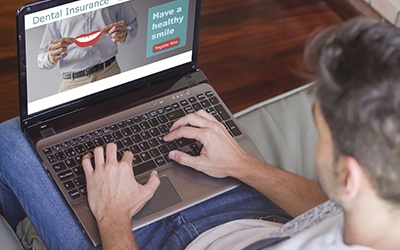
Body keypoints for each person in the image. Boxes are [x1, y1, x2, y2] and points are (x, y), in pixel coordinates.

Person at [1, 17, 400, 249]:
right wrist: (243, 165)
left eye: (320, 132)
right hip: (253, 209)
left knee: (12, 140)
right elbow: (328, 208)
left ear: (349, 177)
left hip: (149, 239)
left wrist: (113, 216)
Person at [37, 1, 138, 92]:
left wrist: (126, 33)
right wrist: (50, 57)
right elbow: (42, 56)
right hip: (72, 85)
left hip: (110, 73)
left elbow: (132, 24)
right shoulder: (56, 5)